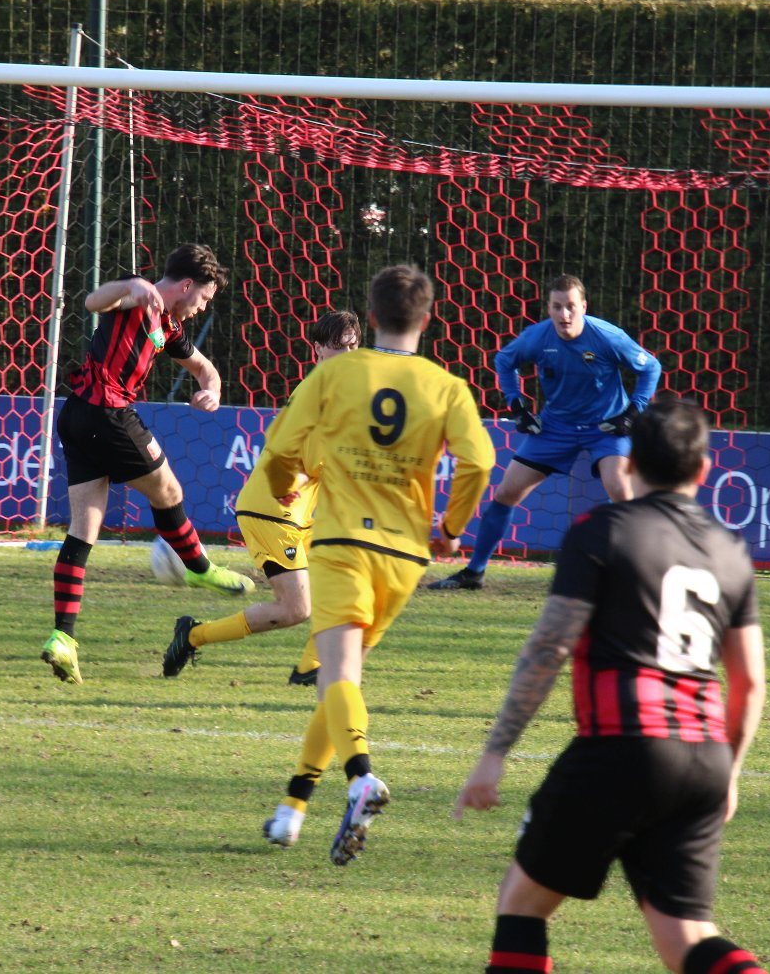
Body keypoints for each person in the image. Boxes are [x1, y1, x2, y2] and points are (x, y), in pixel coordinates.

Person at [455, 397, 766, 974]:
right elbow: (748, 683)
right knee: (686, 937)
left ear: (631, 464)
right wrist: (731, 772)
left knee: (522, 904)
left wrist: (495, 753)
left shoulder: (603, 531)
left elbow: (550, 647)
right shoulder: (730, 551)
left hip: (622, 747)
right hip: (704, 760)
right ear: (703, 470)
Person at [255, 264, 495, 863]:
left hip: (342, 545)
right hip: (405, 556)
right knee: (344, 682)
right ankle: (292, 807)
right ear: (428, 318)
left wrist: (284, 486)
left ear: (370, 316)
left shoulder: (337, 372)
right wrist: (451, 531)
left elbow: (280, 448)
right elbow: (480, 462)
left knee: (336, 679)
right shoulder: (446, 386)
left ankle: (361, 776)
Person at [42, 243, 255, 686]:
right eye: (204, 298)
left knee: (83, 530)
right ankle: (200, 569)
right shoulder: (137, 297)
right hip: (108, 413)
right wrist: (132, 285)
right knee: (170, 491)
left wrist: (212, 390)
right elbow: (93, 301)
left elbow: (205, 369)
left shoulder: (168, 325)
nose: (202, 307)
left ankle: (63, 638)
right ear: (187, 285)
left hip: (78, 415)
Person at [162, 309, 362, 683]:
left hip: (303, 513)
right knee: (295, 609)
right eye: (338, 347)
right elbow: (302, 454)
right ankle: (192, 636)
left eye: (352, 346)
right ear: (318, 349)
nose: (347, 354)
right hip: (273, 509)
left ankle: (312, 668)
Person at [429, 273, 660, 591]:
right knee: (506, 493)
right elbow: (504, 360)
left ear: (584, 307)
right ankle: (474, 572)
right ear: (548, 308)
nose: (564, 314)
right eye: (557, 307)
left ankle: (636, 573)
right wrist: (517, 406)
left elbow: (651, 367)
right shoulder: (538, 337)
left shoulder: (607, 336)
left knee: (620, 489)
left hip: (605, 427)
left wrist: (633, 413)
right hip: (556, 428)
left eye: (571, 306)